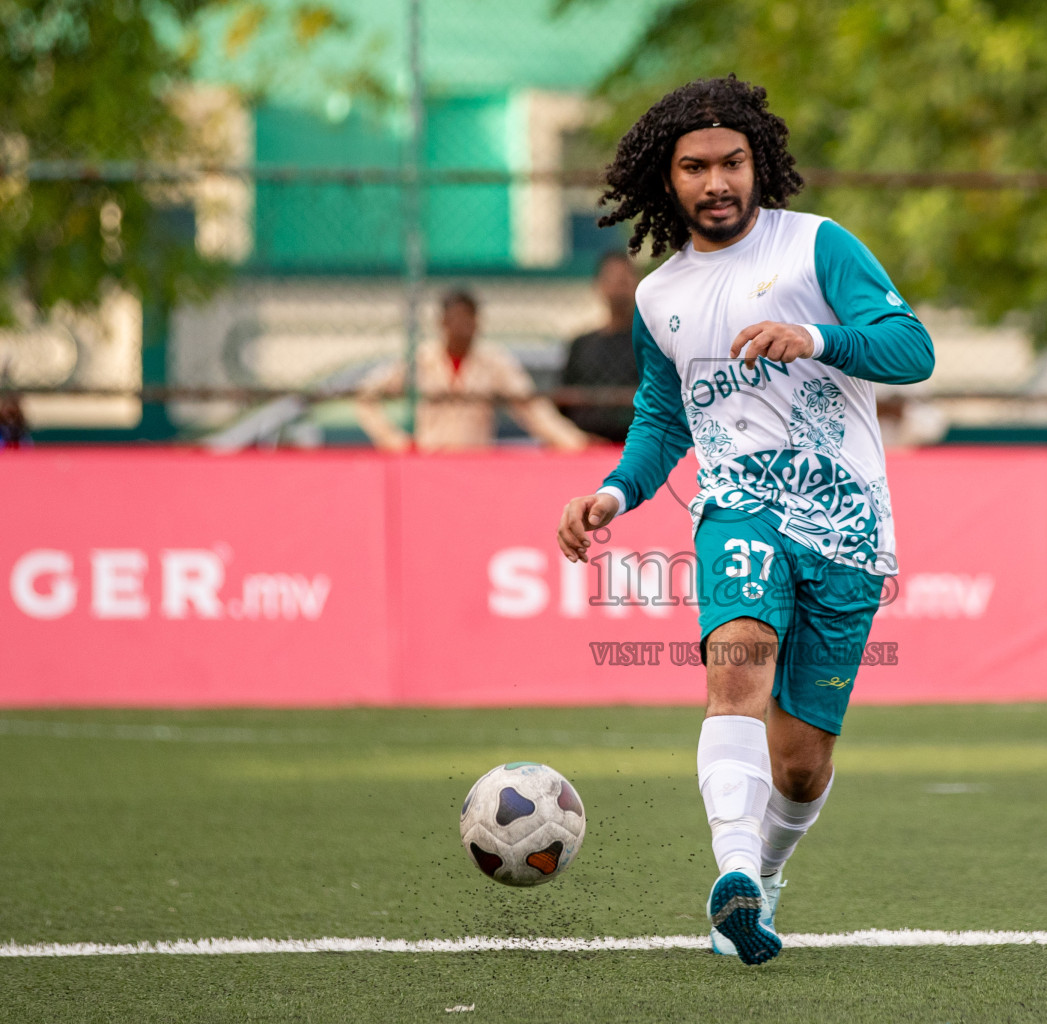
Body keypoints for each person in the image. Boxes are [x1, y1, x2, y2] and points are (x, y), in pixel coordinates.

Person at [554, 76, 934, 965]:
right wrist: (611, 494)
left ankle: (760, 879)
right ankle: (728, 871)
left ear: (758, 163)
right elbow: (663, 419)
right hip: (738, 514)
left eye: (733, 161)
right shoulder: (659, 298)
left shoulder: (818, 249)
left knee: (801, 764)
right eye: (696, 167)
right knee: (738, 673)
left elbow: (911, 349)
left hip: (847, 528)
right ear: (667, 179)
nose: (717, 180)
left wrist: (819, 338)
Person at [356, 287, 587, 453]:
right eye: (456, 318)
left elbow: (531, 408)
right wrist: (397, 443)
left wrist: (576, 443)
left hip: (475, 461)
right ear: (442, 322)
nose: (462, 325)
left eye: (469, 318)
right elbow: (367, 395)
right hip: (428, 460)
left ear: (478, 322)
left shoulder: (494, 362)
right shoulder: (422, 360)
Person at [559, 251, 642, 443]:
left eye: (625, 278)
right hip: (585, 447)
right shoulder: (581, 345)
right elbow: (563, 402)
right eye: (612, 277)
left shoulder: (656, 343)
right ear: (599, 285)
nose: (620, 285)